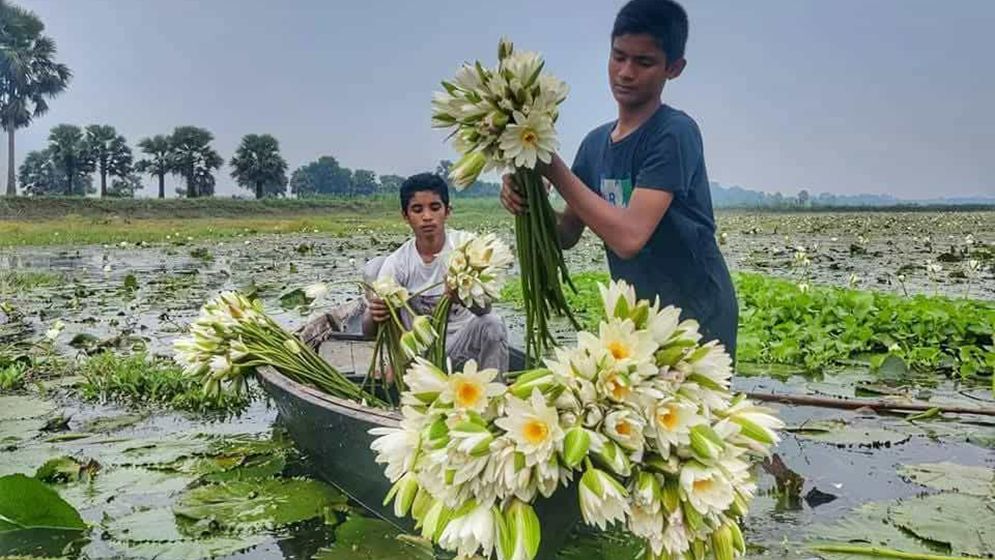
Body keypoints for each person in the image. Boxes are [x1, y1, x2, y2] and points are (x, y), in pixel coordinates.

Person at [500, 0, 738, 356]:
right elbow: (565, 234)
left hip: (697, 315)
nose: (625, 72)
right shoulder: (595, 145)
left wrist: (551, 165)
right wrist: (529, 197)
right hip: (637, 313)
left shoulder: (673, 133)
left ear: (674, 68)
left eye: (644, 62)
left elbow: (628, 238)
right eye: (618, 56)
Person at [363, 172, 509, 372]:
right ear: (405, 216)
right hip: (421, 358)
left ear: (447, 211)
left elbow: (485, 310)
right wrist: (373, 314)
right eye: (417, 209)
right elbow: (369, 333)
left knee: (494, 323)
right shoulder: (397, 263)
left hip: (464, 350)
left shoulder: (466, 247)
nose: (427, 217)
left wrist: (461, 297)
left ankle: (494, 397)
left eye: (434, 207)